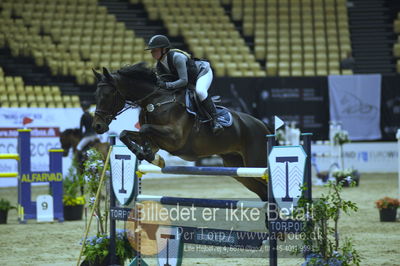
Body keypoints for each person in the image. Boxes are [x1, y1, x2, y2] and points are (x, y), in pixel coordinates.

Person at [145, 34, 223, 135]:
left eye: (155, 50)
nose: (152, 53)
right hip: (189, 80)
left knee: (200, 91)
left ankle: (216, 121)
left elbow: (183, 81)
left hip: (202, 72)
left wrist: (166, 85)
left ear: (164, 49)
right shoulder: (159, 65)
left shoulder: (177, 57)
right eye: (152, 50)